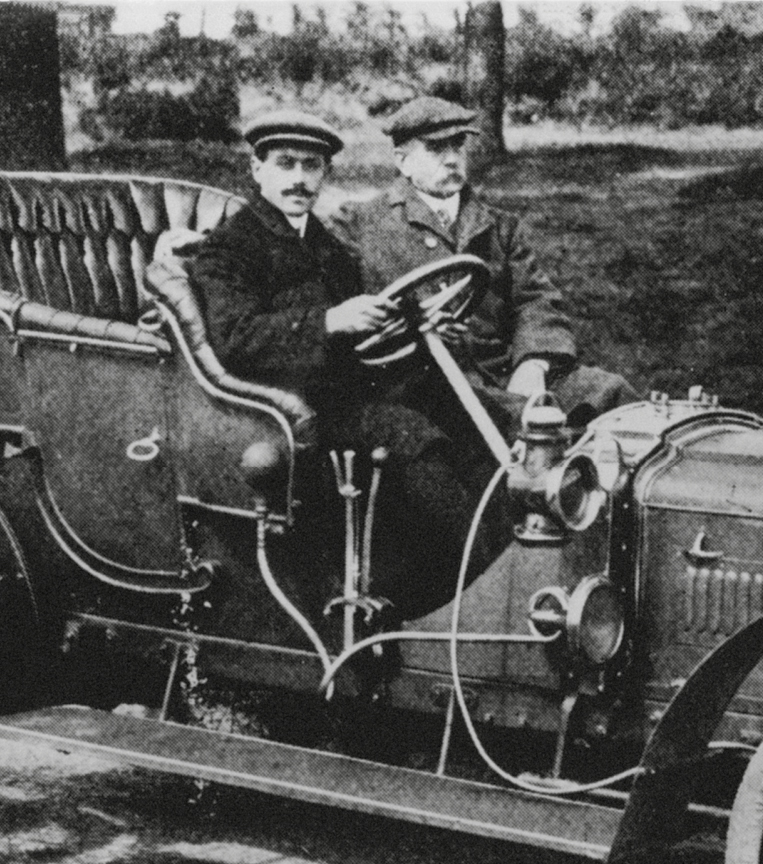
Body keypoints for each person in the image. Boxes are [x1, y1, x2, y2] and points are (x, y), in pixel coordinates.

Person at [193, 110, 493, 618]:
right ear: (257, 169)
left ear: (325, 174)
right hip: (287, 414)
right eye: (285, 164)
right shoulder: (230, 248)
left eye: (312, 166)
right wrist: (329, 321)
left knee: (475, 420)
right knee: (412, 439)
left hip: (350, 391)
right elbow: (234, 340)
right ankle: (473, 595)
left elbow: (366, 328)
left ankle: (489, 579)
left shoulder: (327, 245)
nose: (298, 179)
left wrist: (408, 328)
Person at [330, 95, 636, 435]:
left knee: (612, 394)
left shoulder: (500, 226)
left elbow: (535, 300)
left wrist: (532, 363)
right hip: (424, 384)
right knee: (525, 429)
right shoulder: (359, 225)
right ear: (403, 162)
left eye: (458, 146)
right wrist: (408, 321)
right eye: (435, 149)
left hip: (504, 372)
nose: (451, 160)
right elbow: (340, 313)